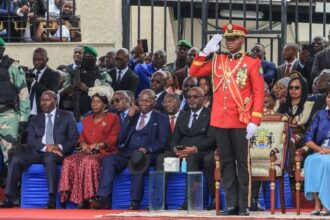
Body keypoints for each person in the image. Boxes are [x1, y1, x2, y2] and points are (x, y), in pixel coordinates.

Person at [189, 23, 264, 216]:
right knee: (226, 163)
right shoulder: (217, 60)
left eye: (234, 39)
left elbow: (258, 93)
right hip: (220, 120)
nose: (230, 42)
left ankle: (244, 204)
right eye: (227, 39)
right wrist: (205, 51)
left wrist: (255, 120)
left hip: (241, 119)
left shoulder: (252, 62)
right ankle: (231, 204)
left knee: (242, 163)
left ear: (242, 40)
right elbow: (193, 72)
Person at [89, 89, 169, 210]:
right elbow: (120, 138)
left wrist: (147, 149)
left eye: (147, 101)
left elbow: (162, 141)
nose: (143, 103)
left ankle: (135, 202)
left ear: (154, 102)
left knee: (138, 161)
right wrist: (129, 118)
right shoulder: (133, 116)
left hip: (147, 153)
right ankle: (103, 198)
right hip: (128, 152)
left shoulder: (161, 117)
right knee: (109, 160)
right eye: (141, 100)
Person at [0, 91, 78, 209]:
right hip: (37, 151)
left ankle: (51, 198)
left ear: (55, 101)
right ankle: (9, 197)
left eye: (47, 100)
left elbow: (73, 139)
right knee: (16, 159)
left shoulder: (67, 116)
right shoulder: (35, 119)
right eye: (42, 100)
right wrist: (46, 147)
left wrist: (58, 147)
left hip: (57, 153)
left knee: (49, 158)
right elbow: (31, 141)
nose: (43, 103)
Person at [59, 85, 120, 209]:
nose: (94, 104)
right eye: (92, 102)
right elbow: (81, 138)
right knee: (69, 160)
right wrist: (83, 144)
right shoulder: (86, 119)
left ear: (105, 105)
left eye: (98, 102)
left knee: (88, 162)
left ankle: (89, 198)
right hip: (86, 152)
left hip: (104, 153)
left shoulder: (113, 118)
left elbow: (112, 139)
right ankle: (69, 196)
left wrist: (96, 145)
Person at [156, 87, 216, 210]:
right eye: (189, 97)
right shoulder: (183, 116)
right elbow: (175, 139)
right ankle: (160, 202)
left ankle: (190, 201)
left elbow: (211, 139)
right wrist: (175, 150)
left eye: (195, 97)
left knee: (191, 158)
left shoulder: (210, 114)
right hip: (182, 151)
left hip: (201, 151)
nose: (191, 99)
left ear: (203, 99)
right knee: (162, 158)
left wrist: (194, 149)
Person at [0, 37, 30, 170]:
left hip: (8, 115)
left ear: (2, 49)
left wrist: (23, 118)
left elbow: (23, 94)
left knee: (10, 153)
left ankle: (14, 186)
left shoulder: (13, 66)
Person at [277, 77, 314, 181]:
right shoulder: (282, 104)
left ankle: (288, 174)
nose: (293, 90)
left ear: (303, 89)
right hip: (281, 132)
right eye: (291, 88)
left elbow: (299, 121)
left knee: (289, 140)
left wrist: (288, 121)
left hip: (299, 134)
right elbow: (276, 119)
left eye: (296, 87)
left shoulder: (308, 104)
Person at [61, 45, 112, 120]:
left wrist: (87, 89)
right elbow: (65, 87)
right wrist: (71, 88)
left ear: (94, 59)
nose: (86, 59)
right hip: (72, 111)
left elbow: (106, 94)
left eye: (89, 57)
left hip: (93, 113)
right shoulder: (73, 72)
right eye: (84, 57)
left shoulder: (102, 74)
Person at [303, 90, 330, 216]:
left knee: (326, 162)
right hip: (321, 152)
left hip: (327, 154)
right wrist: (320, 150)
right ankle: (317, 204)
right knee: (310, 161)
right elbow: (308, 137)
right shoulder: (321, 114)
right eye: (329, 97)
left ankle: (327, 205)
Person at [28, 47, 60, 116]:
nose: (36, 62)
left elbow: (51, 94)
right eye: (34, 59)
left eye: (40, 60)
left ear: (47, 59)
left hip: (42, 114)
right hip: (27, 115)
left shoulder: (54, 74)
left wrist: (34, 83)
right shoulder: (29, 73)